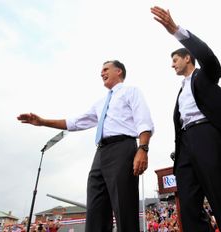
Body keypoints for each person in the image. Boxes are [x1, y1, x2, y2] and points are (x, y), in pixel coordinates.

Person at [151, 6, 221, 232]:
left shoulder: (204, 76)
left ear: (187, 58)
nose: (172, 64)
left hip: (207, 136)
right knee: (188, 204)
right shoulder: (181, 91)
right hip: (184, 144)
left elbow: (209, 57)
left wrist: (176, 30)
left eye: (175, 59)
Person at [17, 60, 154, 232]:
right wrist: (43, 121)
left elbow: (144, 121)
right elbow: (75, 122)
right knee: (96, 207)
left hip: (122, 148)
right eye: (101, 71)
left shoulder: (131, 91)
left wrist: (143, 149)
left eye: (106, 69)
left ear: (119, 71)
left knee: (124, 206)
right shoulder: (101, 103)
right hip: (101, 152)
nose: (101, 73)